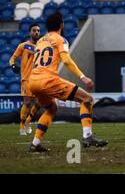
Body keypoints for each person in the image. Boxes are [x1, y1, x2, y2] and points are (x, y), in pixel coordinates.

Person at [28, 12, 108, 152]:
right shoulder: (61, 40)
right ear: (61, 25)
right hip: (48, 80)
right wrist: (83, 77)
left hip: (33, 81)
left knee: (51, 108)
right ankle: (87, 136)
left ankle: (35, 143)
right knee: (87, 99)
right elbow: (66, 60)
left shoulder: (40, 41)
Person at [9, 23, 42, 135]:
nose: (36, 32)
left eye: (38, 31)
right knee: (27, 102)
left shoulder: (41, 47)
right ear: (29, 32)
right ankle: (22, 126)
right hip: (27, 78)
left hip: (38, 78)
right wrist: (13, 66)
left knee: (38, 104)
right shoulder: (23, 45)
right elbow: (12, 59)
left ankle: (28, 122)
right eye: (34, 30)